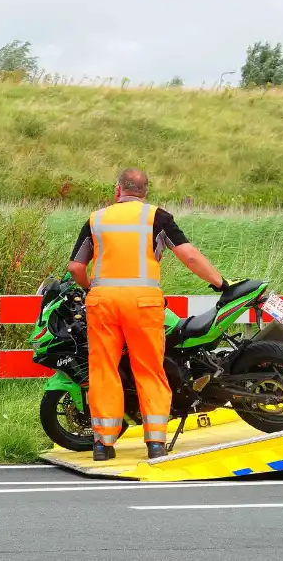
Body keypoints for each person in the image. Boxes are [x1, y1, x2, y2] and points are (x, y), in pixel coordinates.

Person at [66, 168, 226, 461]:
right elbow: (188, 255)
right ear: (145, 192)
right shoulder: (157, 217)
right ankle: (154, 443)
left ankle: (103, 444)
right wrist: (220, 283)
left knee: (104, 371)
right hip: (144, 303)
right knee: (149, 369)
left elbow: (76, 267)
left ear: (117, 190)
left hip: (103, 304)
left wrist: (93, 289)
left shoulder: (96, 219)